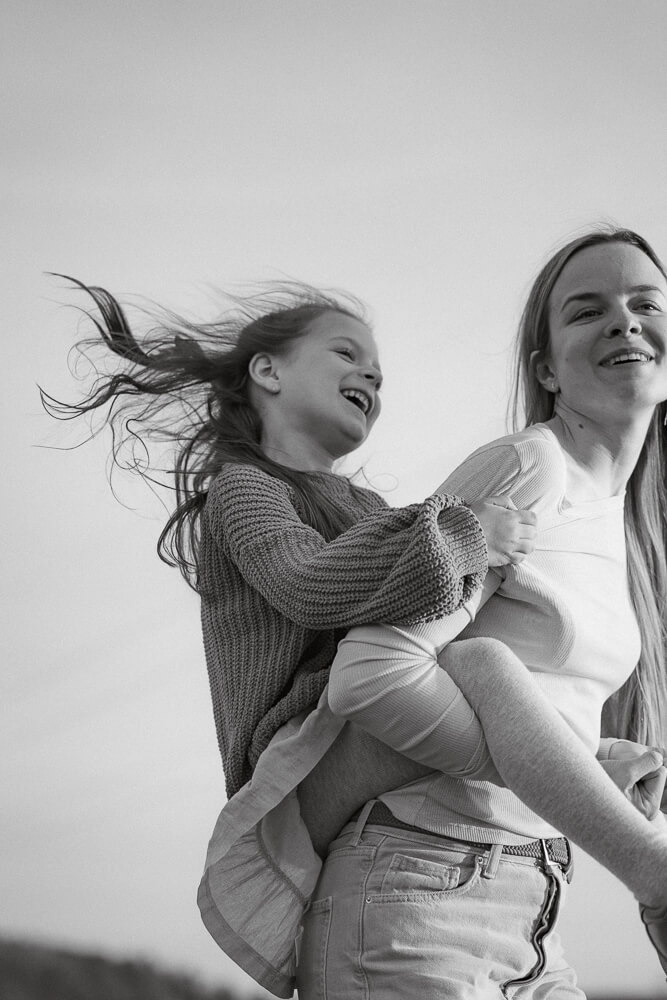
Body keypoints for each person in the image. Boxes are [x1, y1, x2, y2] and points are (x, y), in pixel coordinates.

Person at [45, 263, 664, 997]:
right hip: (303, 752)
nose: (370, 375)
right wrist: (466, 533)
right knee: (482, 665)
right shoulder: (245, 490)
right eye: (346, 353)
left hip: (397, 774)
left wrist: (574, 760)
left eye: (377, 371)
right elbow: (309, 586)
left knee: (485, 672)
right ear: (268, 371)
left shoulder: (369, 509)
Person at [299, 227, 667, 997]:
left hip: (534, 904)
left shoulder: (622, 519)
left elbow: (533, 719)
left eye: (645, 304)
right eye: (587, 310)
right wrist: (564, 773)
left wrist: (586, 767)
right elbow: (370, 676)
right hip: (415, 892)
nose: (623, 322)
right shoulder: (529, 469)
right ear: (546, 368)